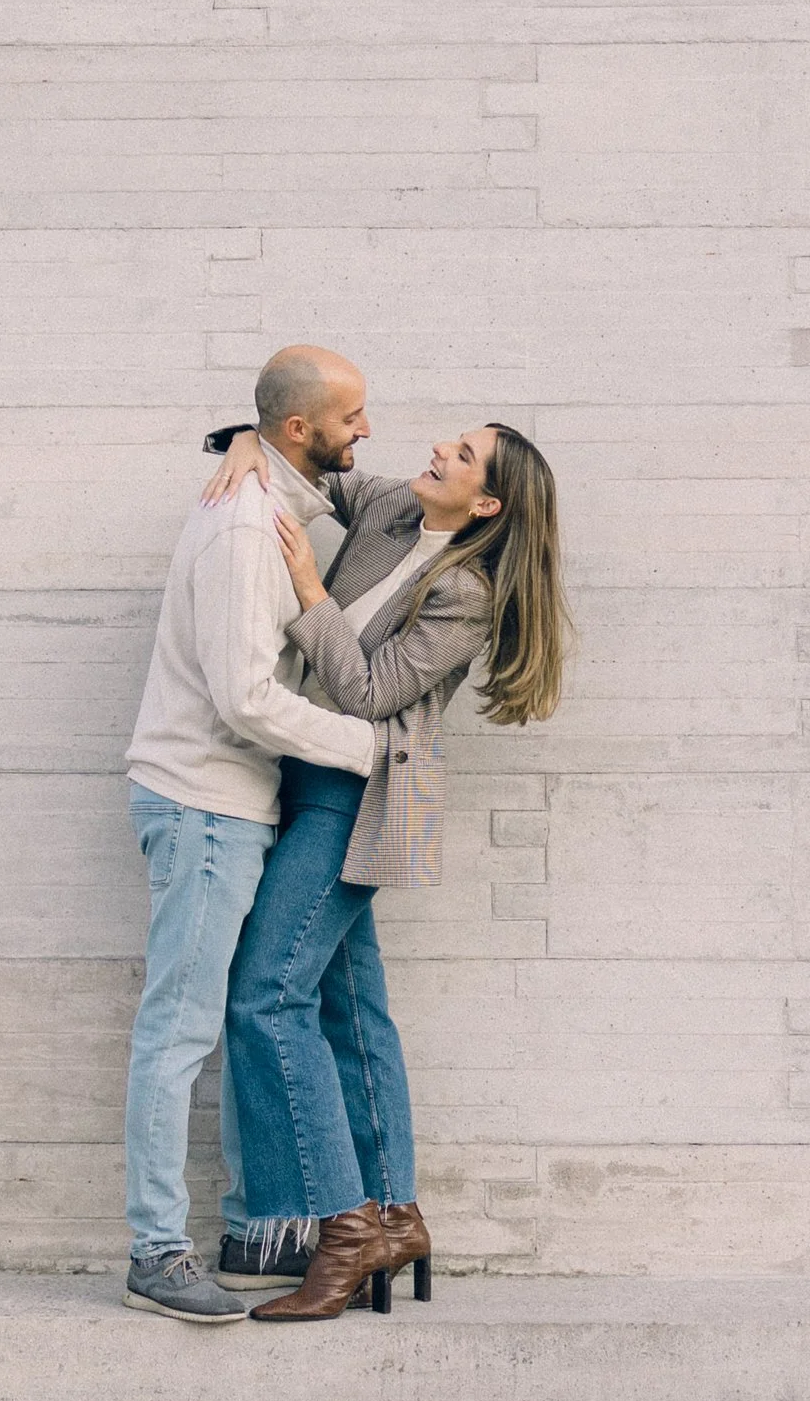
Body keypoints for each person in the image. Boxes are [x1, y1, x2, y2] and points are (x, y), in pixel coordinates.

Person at [202, 419, 570, 1323]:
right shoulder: (394, 509)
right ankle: (396, 1212)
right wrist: (247, 440)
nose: (440, 449)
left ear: (484, 501)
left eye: (464, 454)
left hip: (356, 795)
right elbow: (317, 468)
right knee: (348, 1008)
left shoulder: (469, 596)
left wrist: (305, 587)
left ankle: (342, 1226)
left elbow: (367, 695)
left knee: (266, 996)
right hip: (303, 777)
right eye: (453, 438)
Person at [117, 348, 379, 1322]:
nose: (367, 432)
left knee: (204, 1022)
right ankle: (154, 1250)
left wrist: (241, 436)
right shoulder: (242, 530)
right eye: (352, 417)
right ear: (303, 430)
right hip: (203, 807)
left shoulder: (274, 496)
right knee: (178, 1029)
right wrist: (365, 744)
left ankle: (243, 1229)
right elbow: (243, 697)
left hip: (224, 810)